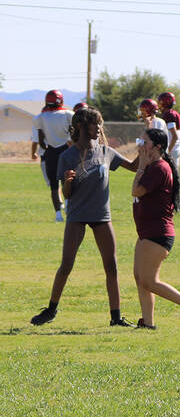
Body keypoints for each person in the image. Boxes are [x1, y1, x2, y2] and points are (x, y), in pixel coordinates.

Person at [30, 107, 138, 327]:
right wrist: (68, 182)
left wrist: (147, 147)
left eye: (99, 123)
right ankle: (50, 310)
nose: (98, 127)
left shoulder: (106, 152)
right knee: (66, 264)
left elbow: (134, 167)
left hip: (101, 216)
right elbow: (67, 194)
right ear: (80, 126)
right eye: (94, 123)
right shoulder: (67, 156)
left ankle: (116, 317)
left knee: (112, 267)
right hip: (77, 216)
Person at [130, 127, 180, 330]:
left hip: (157, 233)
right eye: (140, 141)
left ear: (157, 147)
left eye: (144, 143)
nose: (140, 146)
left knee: (149, 281)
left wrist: (141, 166)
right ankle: (148, 323)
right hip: (147, 232)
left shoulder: (158, 168)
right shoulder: (154, 166)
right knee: (140, 278)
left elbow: (136, 191)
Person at [32, 89, 73, 221]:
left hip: (50, 152)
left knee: (54, 186)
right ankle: (68, 206)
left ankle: (58, 215)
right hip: (65, 150)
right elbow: (73, 133)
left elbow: (41, 140)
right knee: (66, 181)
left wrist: (48, 148)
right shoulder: (68, 114)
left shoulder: (39, 117)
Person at [158, 91, 180, 164]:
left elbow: (174, 136)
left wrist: (167, 151)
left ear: (165, 103)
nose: (159, 105)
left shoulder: (169, 114)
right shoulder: (173, 113)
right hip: (175, 147)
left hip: (172, 149)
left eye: (160, 103)